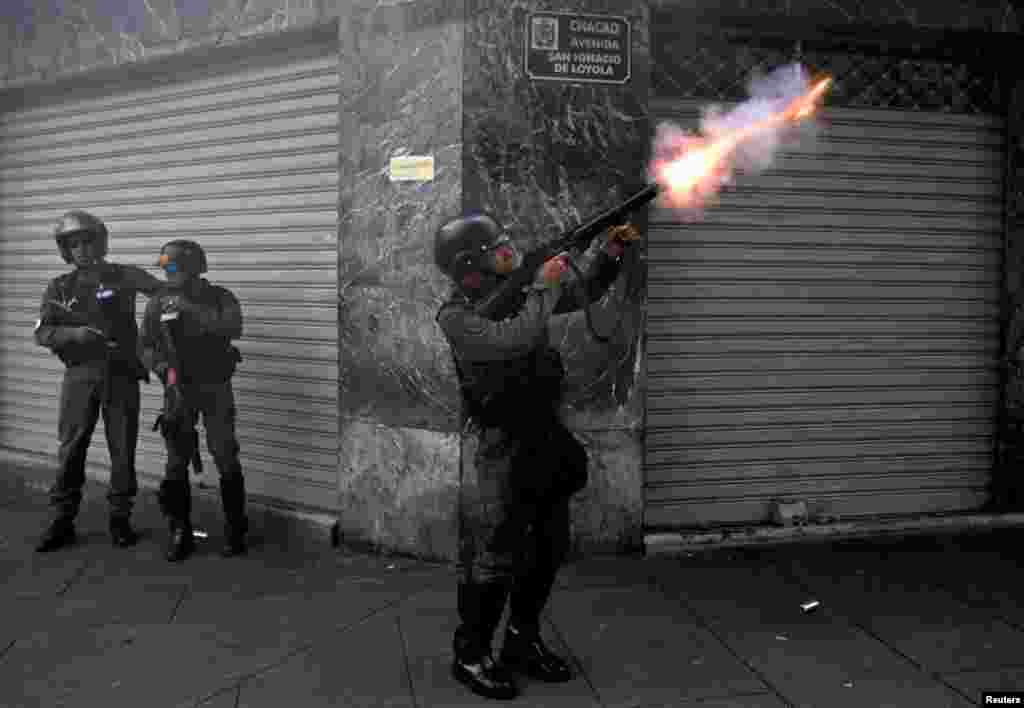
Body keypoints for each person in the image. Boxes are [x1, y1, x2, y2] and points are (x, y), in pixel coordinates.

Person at [434, 212, 640, 700]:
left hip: (543, 435)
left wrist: (608, 255)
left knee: (548, 545)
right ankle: (471, 652)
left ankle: (521, 641)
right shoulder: (456, 316)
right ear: (471, 265)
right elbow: (514, 338)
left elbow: (577, 294)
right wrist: (542, 285)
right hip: (503, 445)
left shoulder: (521, 290)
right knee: (495, 555)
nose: (508, 248)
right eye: (496, 245)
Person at [34, 211, 165, 552]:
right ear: (65, 250)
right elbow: (43, 332)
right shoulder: (60, 287)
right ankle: (63, 519)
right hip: (80, 376)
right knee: (71, 449)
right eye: (73, 244)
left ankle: (120, 518)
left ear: (101, 242)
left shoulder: (125, 275)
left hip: (121, 375)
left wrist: (150, 336)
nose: (82, 249)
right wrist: (74, 334)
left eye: (88, 241)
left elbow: (164, 295)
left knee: (122, 450)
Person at [139, 239, 246, 562]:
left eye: (173, 267)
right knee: (176, 460)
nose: (168, 274)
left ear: (194, 268)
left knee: (224, 453)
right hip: (177, 387)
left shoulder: (219, 297)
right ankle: (180, 530)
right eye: (165, 268)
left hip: (214, 385)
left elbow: (233, 326)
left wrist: (191, 310)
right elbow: (145, 345)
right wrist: (160, 367)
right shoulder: (158, 302)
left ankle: (236, 529)